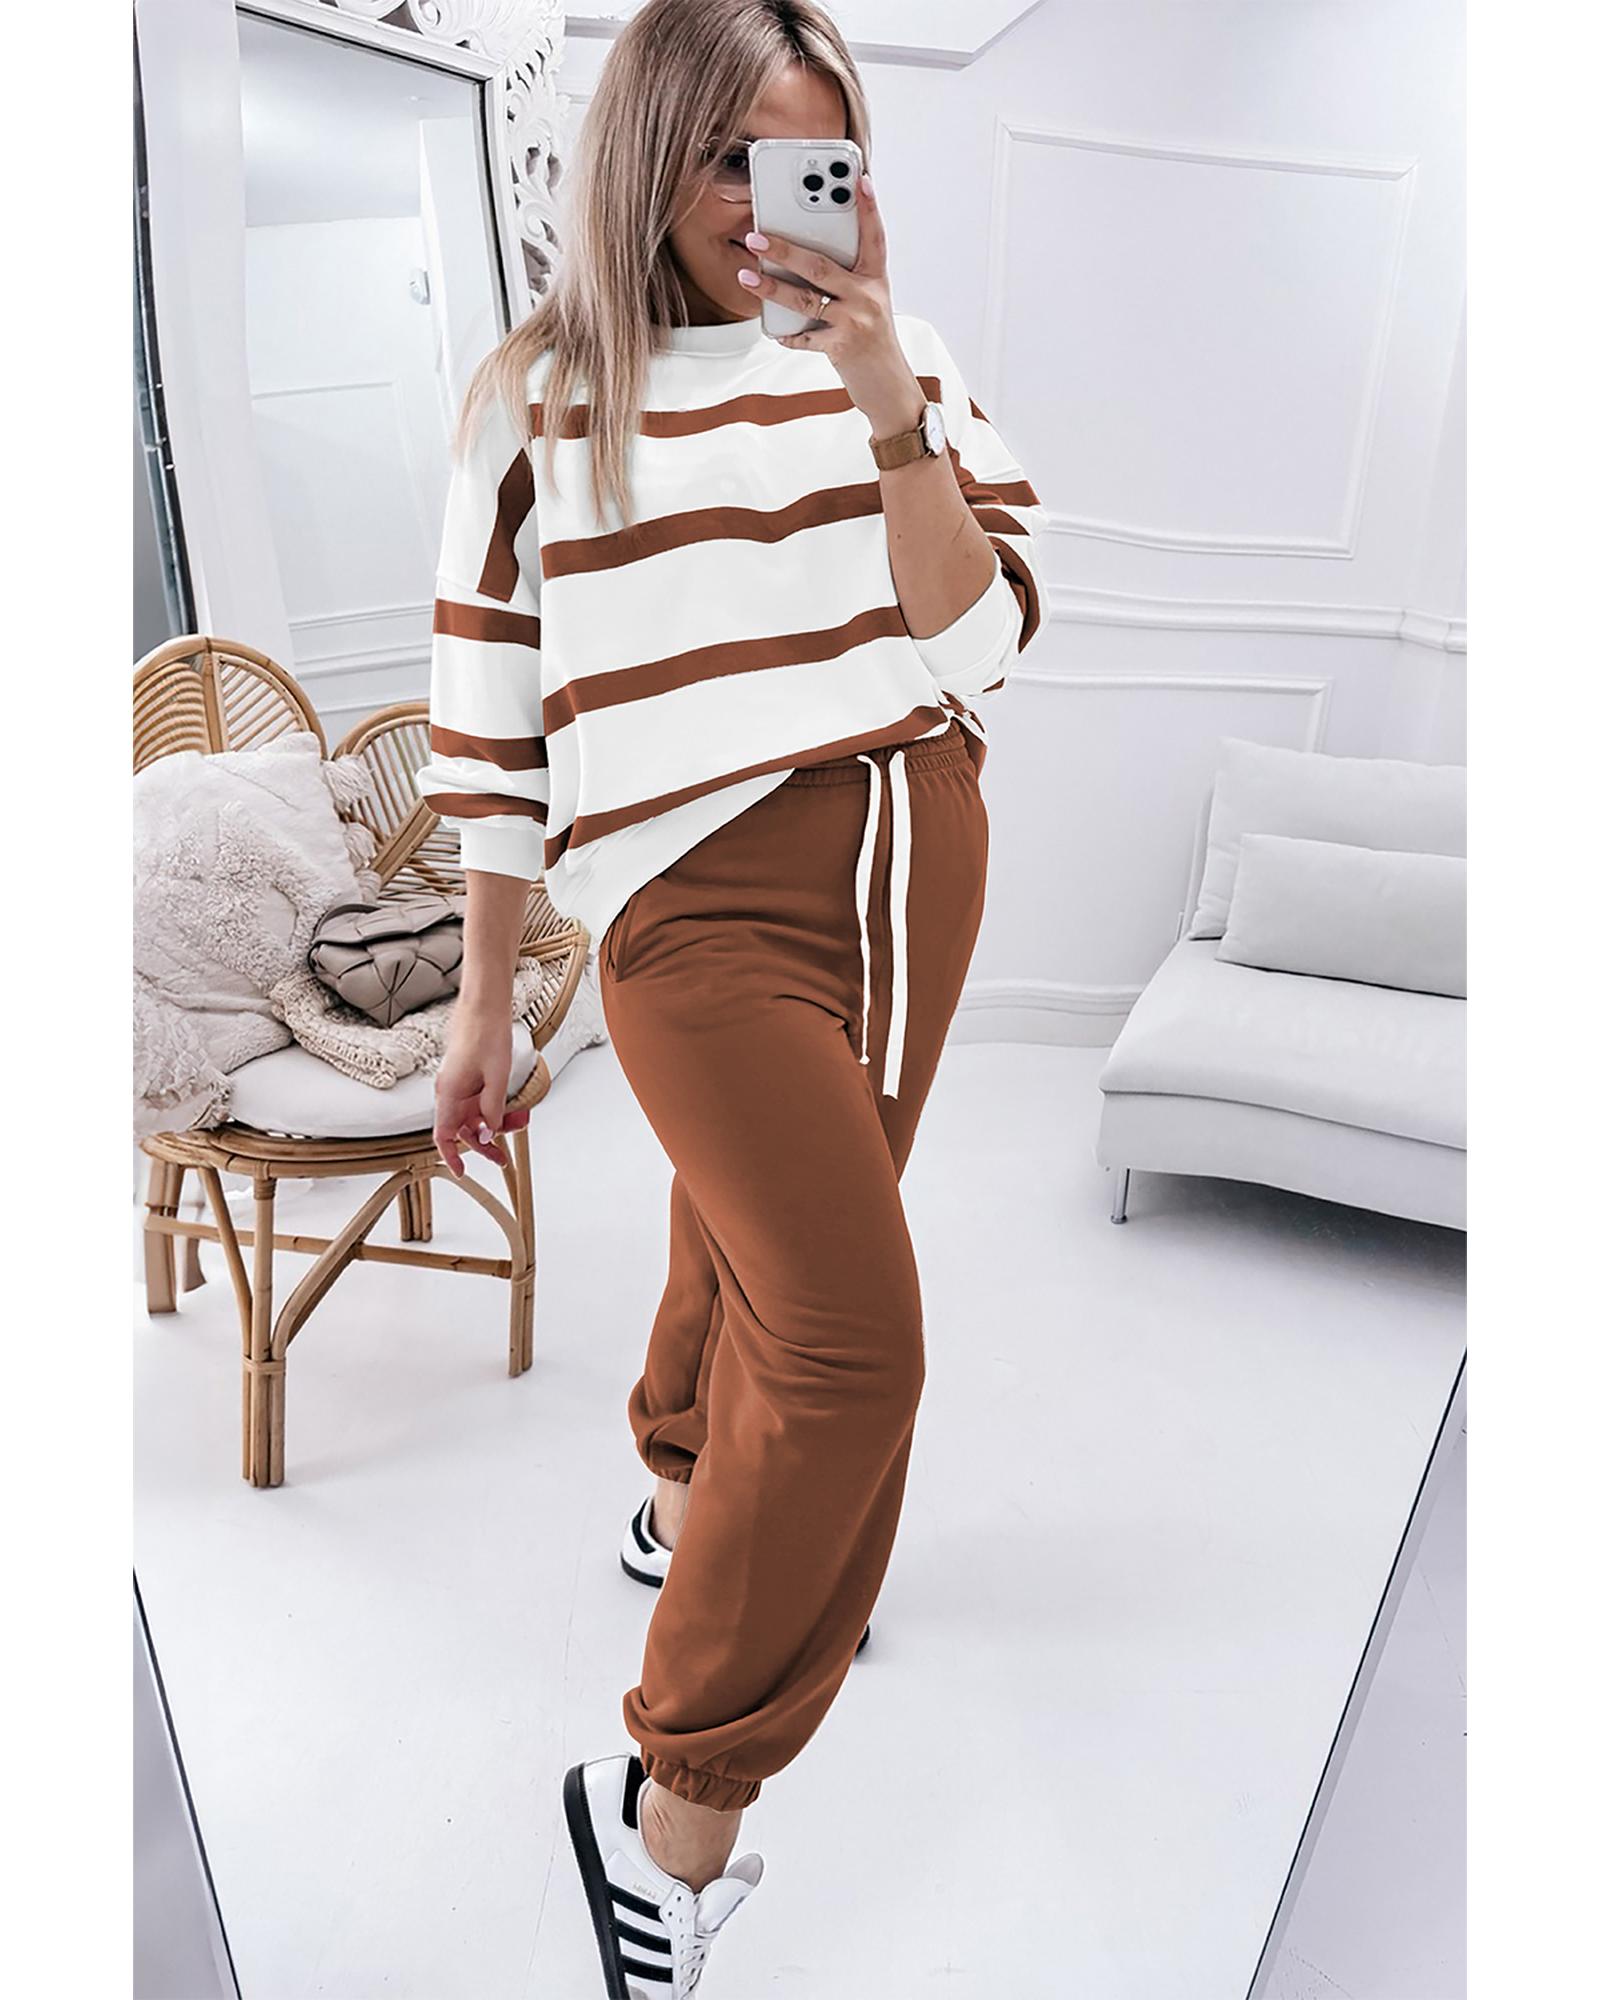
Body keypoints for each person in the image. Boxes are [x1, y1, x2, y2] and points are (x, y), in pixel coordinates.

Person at [418, 1, 1046, 1989]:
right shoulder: (539, 397)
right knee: (853, 1350)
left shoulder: (899, 359)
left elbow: (982, 640)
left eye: (811, 161)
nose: (770, 207)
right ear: (649, 157)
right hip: (692, 916)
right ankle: (669, 1808)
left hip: (915, 854)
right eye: (730, 160)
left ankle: (687, 1486)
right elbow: (492, 738)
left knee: (755, 1249)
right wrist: (480, 1006)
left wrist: (882, 404)